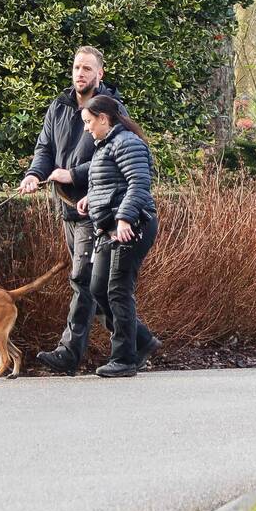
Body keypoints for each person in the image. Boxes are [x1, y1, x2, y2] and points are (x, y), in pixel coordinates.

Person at [17, 47, 160, 375]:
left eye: (87, 68)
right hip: (78, 206)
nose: (80, 73)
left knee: (87, 280)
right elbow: (45, 149)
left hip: (104, 214)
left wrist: (76, 177)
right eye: (76, 67)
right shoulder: (59, 107)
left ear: (100, 74)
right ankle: (140, 340)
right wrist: (34, 175)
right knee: (95, 286)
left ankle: (73, 353)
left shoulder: (111, 113)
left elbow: (114, 164)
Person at [75, 94, 160, 377]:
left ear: (103, 118)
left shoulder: (127, 143)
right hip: (110, 228)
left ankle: (124, 359)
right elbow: (112, 182)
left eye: (89, 122)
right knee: (98, 289)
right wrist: (91, 198)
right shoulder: (106, 145)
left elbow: (139, 184)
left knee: (118, 290)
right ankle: (143, 341)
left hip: (132, 226)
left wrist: (124, 218)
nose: (86, 128)